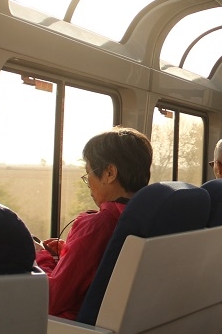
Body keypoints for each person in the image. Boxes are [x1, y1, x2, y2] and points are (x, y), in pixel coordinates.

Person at [35, 126, 152, 320]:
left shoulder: (96, 225)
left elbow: (51, 299)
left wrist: (41, 256)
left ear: (110, 173)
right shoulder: (147, 217)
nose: (88, 182)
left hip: (72, 331)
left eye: (88, 173)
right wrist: (69, 252)